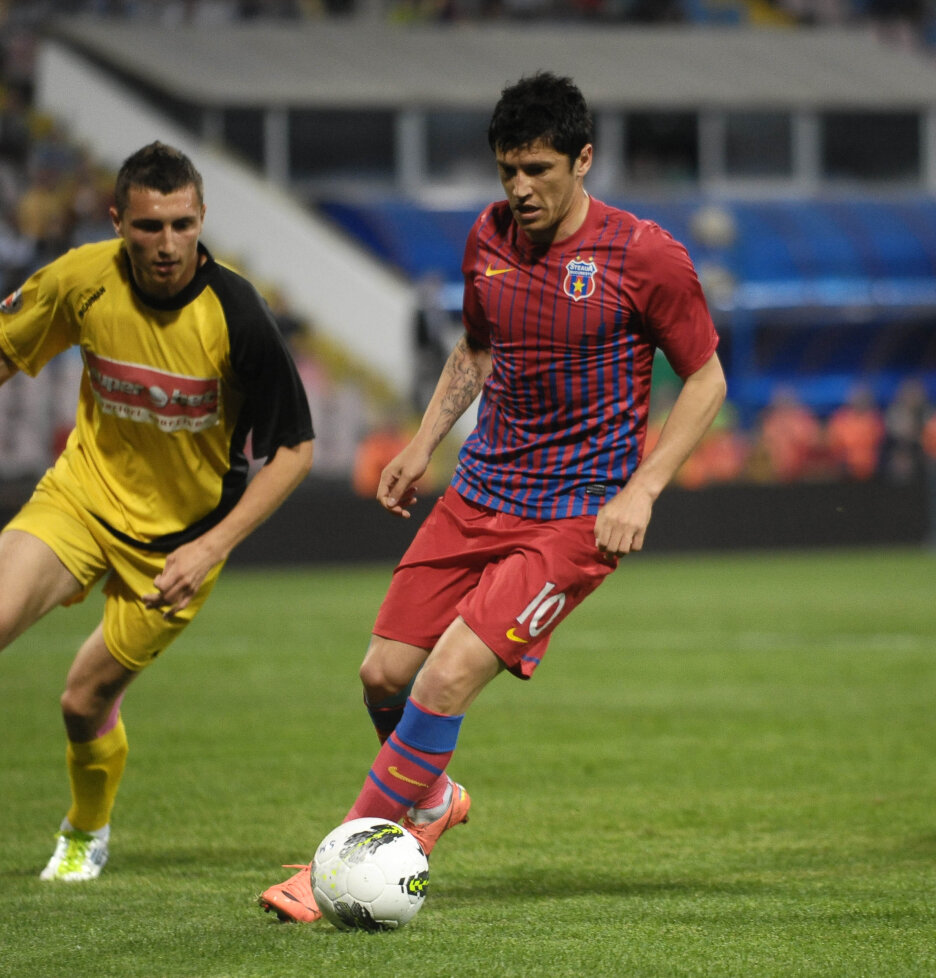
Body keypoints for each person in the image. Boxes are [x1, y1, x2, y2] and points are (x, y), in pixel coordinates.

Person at [258, 72, 725, 922]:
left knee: (443, 680)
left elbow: (706, 378)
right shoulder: (489, 236)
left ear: (584, 160)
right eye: (507, 169)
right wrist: (421, 442)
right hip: (479, 491)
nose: (520, 188)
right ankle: (433, 804)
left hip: (578, 511)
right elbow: (477, 349)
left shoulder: (643, 256)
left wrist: (645, 490)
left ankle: (338, 865)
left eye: (539, 169)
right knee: (383, 675)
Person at [0, 141, 315, 890]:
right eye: (147, 226)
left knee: (83, 702)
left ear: (201, 218)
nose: (167, 244)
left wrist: (211, 549)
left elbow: (296, 450)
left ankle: (86, 832)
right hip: (81, 495)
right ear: (118, 222)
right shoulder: (82, 279)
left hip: (176, 543)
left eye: (181, 225)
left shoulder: (239, 317)